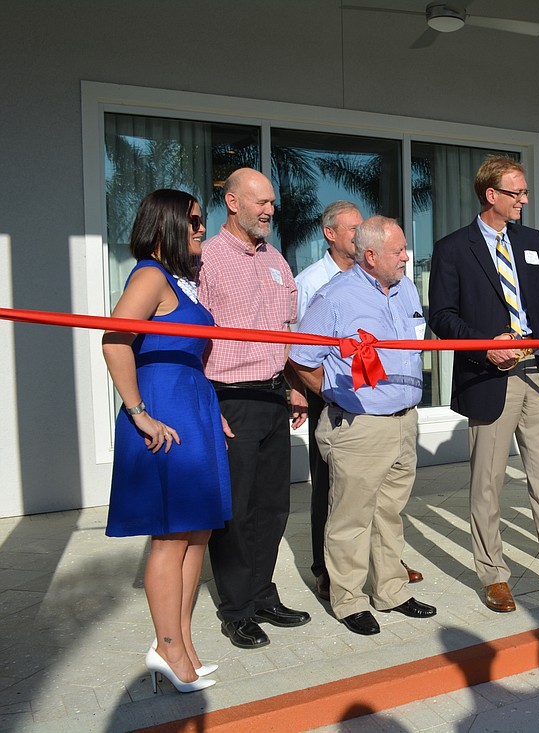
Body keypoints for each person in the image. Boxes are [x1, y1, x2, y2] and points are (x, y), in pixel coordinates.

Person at [428, 156, 539, 615]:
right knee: (486, 485)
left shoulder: (532, 241)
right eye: (517, 193)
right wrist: (486, 345)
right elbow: (442, 318)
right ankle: (493, 575)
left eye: (525, 192)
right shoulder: (453, 248)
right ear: (492, 195)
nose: (525, 200)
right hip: (491, 378)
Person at [103, 189, 229, 693]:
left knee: (198, 530)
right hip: (163, 410)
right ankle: (166, 647)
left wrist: (211, 412)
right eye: (194, 221)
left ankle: (183, 643)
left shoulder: (185, 281)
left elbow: (191, 356)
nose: (201, 228)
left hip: (193, 407)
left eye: (201, 220)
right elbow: (114, 340)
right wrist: (139, 413)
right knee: (172, 534)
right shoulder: (151, 276)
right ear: (167, 224)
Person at [289, 216, 436, 636]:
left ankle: (391, 591)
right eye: (398, 251)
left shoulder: (406, 287)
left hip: (405, 421)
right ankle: (348, 598)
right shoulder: (334, 296)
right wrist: (333, 394)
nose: (407, 256)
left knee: (390, 512)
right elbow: (301, 358)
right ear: (370, 256)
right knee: (351, 517)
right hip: (360, 425)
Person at [196, 167, 311, 650]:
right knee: (236, 510)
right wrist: (205, 403)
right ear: (232, 202)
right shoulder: (206, 259)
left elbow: (287, 329)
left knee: (272, 505)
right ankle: (237, 608)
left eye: (271, 203)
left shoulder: (277, 260)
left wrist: (296, 386)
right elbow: (191, 337)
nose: (267, 210)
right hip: (230, 396)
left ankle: (263, 594)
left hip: (272, 393)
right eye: (258, 202)